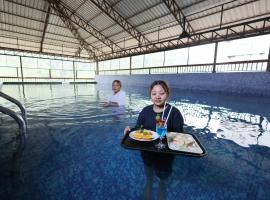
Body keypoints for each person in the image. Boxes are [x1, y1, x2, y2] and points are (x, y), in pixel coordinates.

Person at [124, 80, 184, 200]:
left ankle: (162, 184)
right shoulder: (145, 111)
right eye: (154, 93)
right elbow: (139, 128)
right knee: (148, 166)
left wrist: (168, 136)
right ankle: (149, 181)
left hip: (165, 153)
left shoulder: (174, 113)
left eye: (161, 93)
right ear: (150, 95)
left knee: (163, 172)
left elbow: (179, 136)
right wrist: (130, 129)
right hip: (146, 150)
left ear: (167, 94)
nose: (157, 96)